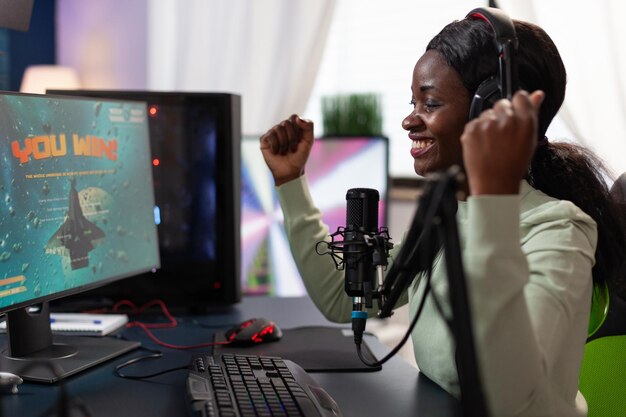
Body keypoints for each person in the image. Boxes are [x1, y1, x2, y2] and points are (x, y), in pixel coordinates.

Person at [259, 9, 626, 417]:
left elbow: (504, 394)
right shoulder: (448, 216)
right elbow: (342, 301)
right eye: (412, 101)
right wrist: (290, 182)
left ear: (491, 110)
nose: (409, 119)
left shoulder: (557, 230)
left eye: (430, 102)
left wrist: (493, 199)